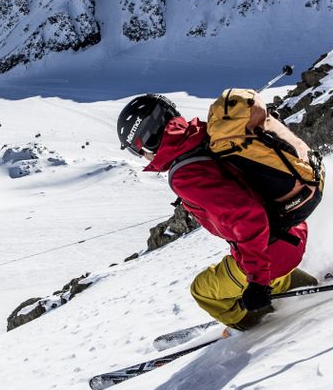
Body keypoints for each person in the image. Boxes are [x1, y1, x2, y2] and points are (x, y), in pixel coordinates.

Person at [116, 94, 318, 333]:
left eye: (137, 151)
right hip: (291, 230)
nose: (143, 158)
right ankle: (295, 285)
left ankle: (252, 329)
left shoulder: (185, 174)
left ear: (147, 141)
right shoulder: (206, 134)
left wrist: (258, 283)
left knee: (203, 291)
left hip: (271, 248)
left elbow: (247, 216)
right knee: (245, 267)